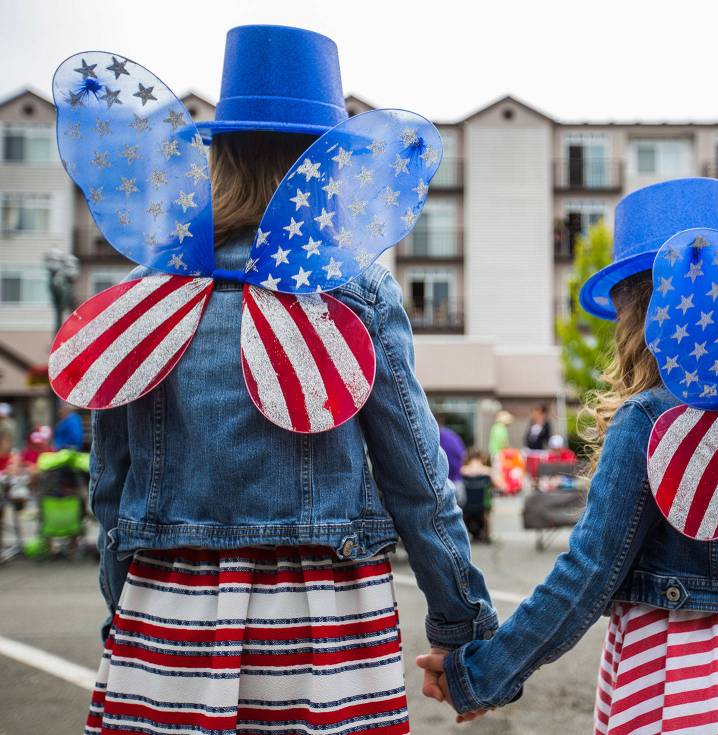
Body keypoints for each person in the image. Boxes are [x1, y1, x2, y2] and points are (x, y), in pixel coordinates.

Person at [57, 26, 495, 735]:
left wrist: (124, 609)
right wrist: (461, 629)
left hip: (169, 611)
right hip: (324, 625)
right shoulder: (355, 295)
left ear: (220, 154)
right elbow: (419, 481)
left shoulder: (150, 293)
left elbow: (110, 484)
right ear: (330, 165)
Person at [418, 178, 718, 731]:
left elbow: (589, 572)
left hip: (676, 681)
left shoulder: (651, 419)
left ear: (642, 316)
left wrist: (482, 675)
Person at [460, 450, 494, 543]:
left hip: (466, 505)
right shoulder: (487, 471)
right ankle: (487, 535)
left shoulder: (462, 470)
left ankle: (462, 535)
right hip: (483, 505)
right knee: (488, 508)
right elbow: (501, 485)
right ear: (481, 458)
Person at [437, 414, 466, 502]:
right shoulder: (454, 437)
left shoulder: (435, 437)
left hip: (441, 485)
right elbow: (463, 455)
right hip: (458, 483)